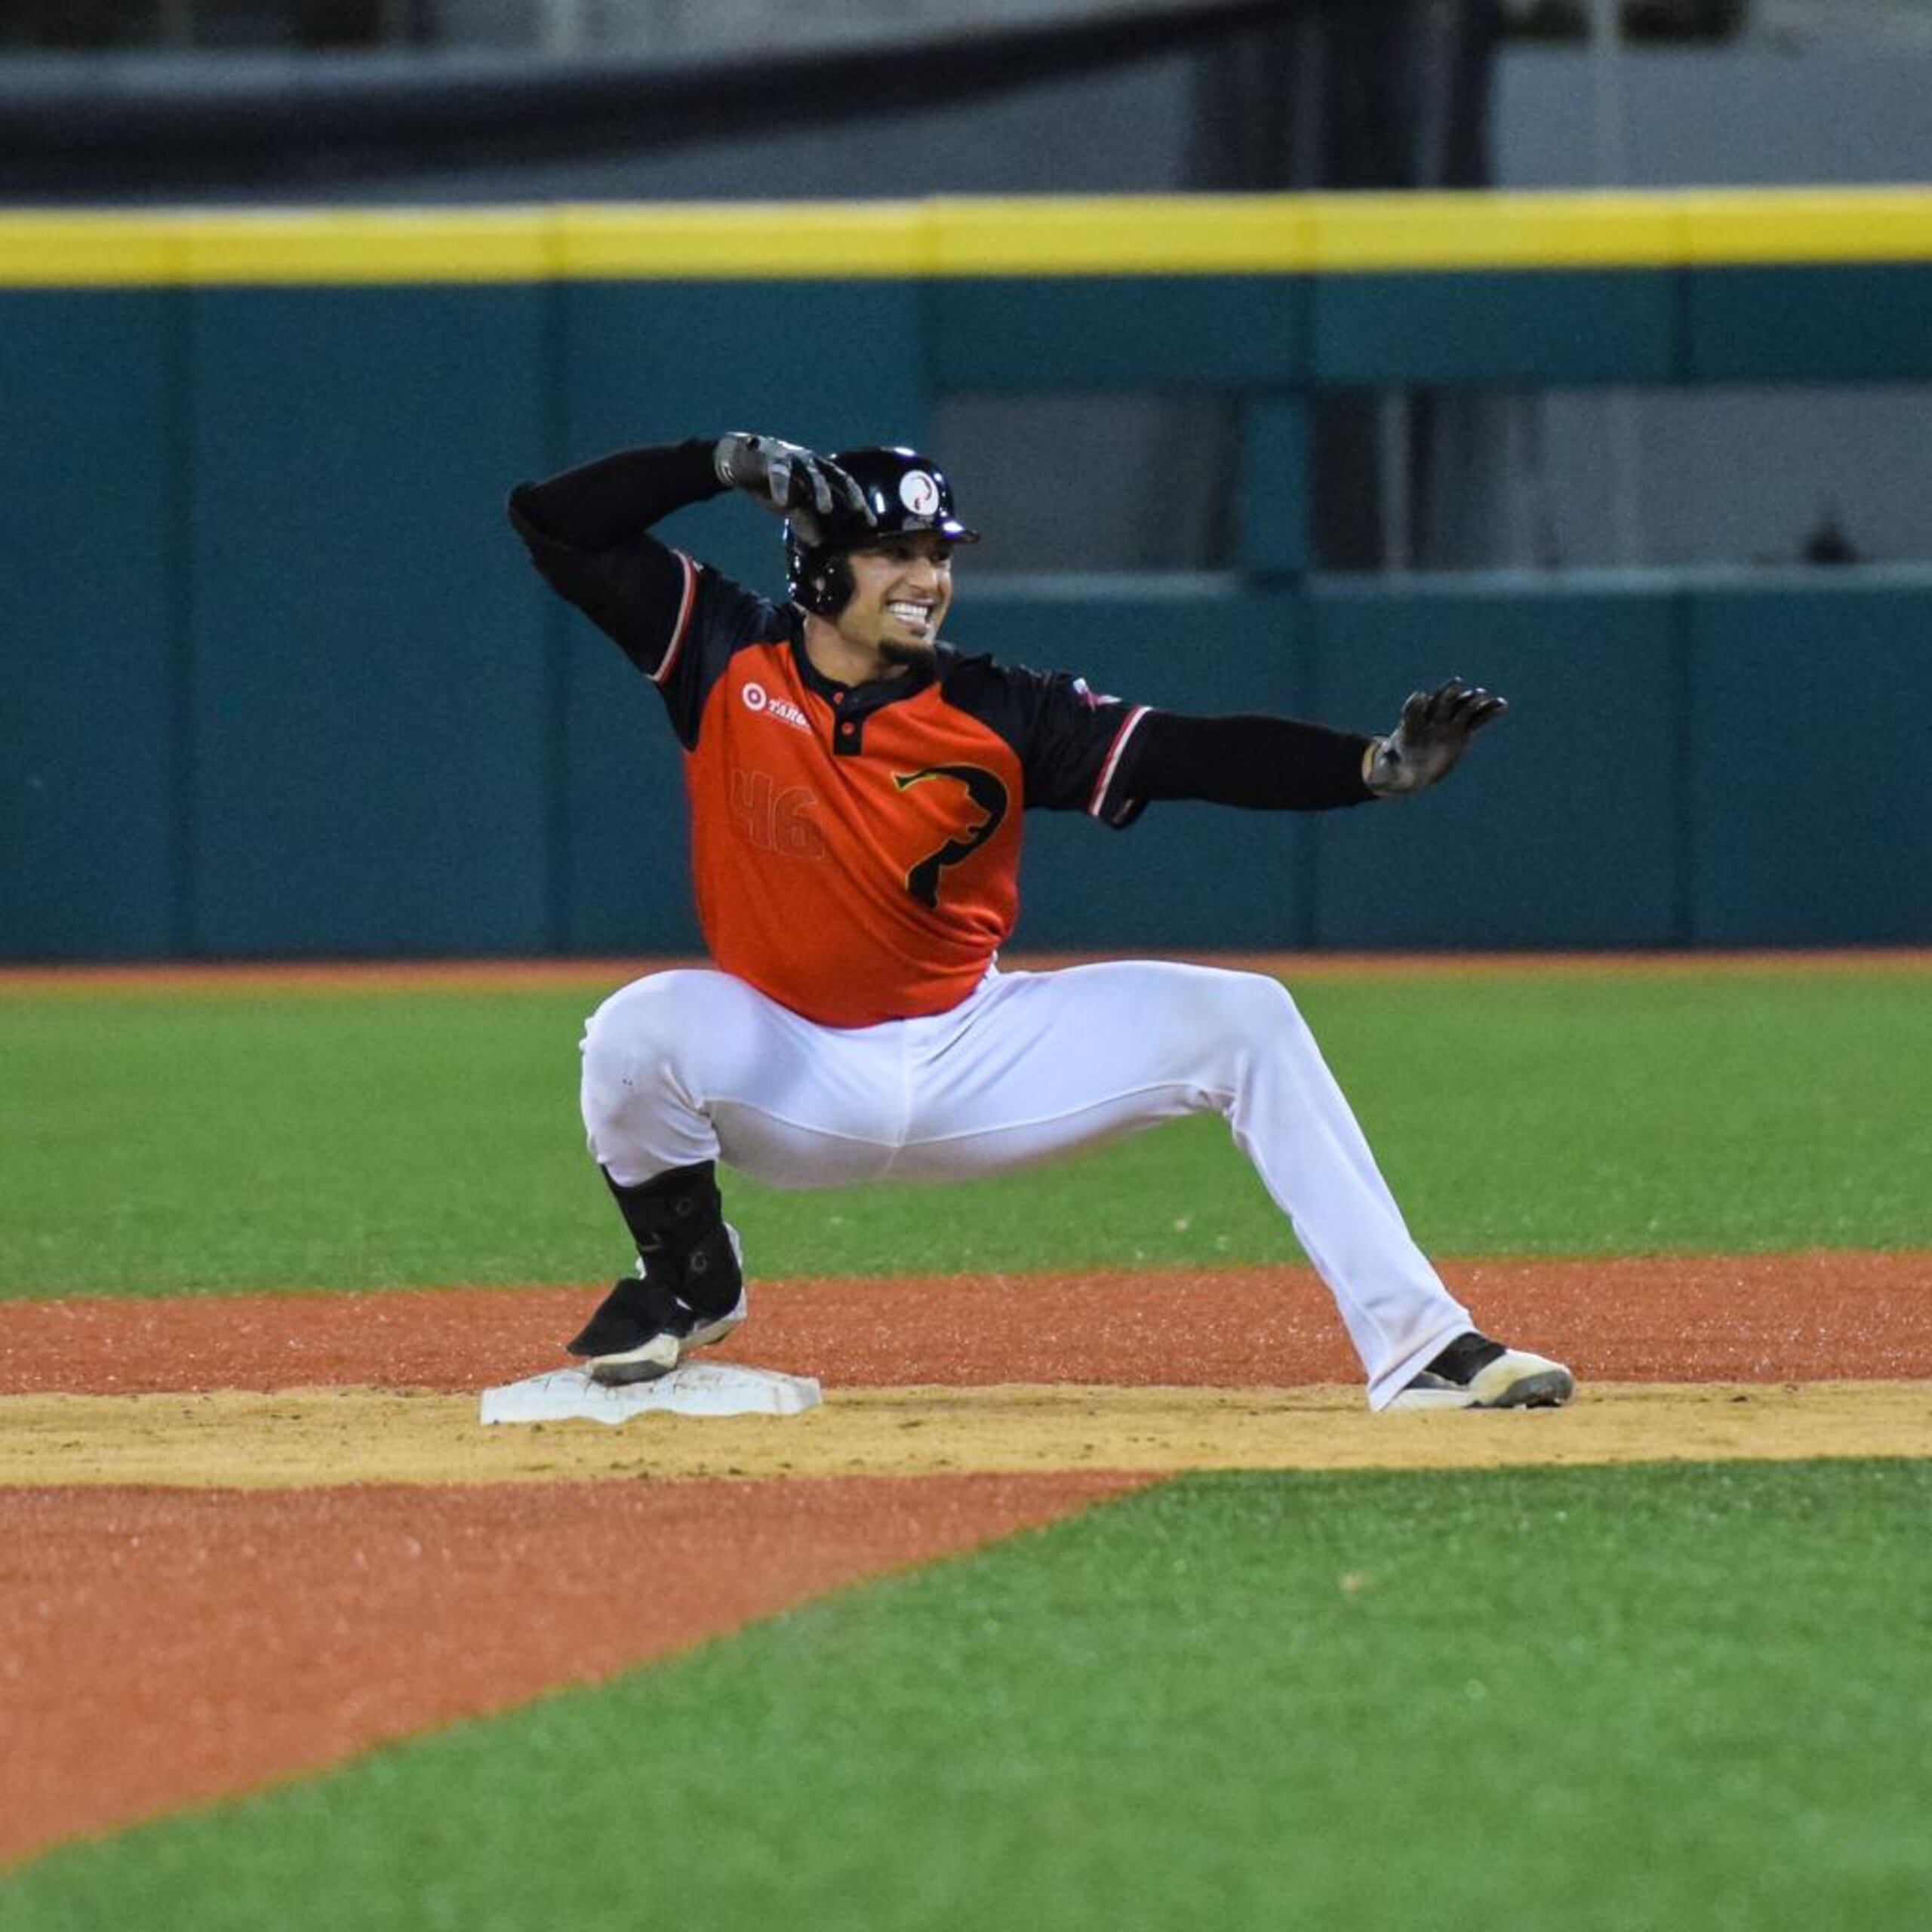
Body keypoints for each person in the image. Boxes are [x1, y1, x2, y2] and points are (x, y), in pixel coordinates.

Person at [506, 432, 1574, 1412]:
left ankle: (1424, 1345)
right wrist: (721, 462)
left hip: (978, 1049)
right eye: (895, 552)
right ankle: (692, 1284)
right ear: (819, 569)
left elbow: (1186, 752)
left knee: (1247, 1020)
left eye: (939, 553)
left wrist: (1367, 770)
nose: (930, 579)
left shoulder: (997, 708)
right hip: (788, 1063)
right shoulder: (720, 650)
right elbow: (552, 521)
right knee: (637, 1033)